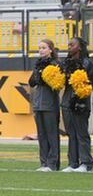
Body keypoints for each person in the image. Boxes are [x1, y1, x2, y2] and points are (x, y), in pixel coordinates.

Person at [61, 37, 93, 173]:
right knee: (71, 133)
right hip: (67, 101)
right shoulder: (65, 62)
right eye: (68, 44)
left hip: (80, 101)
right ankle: (72, 163)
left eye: (72, 44)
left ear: (79, 47)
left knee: (81, 133)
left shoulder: (87, 62)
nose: (69, 47)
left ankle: (86, 163)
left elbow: (91, 81)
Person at [29, 39, 61, 172]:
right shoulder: (38, 65)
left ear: (50, 50)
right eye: (39, 48)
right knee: (41, 134)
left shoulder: (55, 64)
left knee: (51, 134)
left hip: (50, 104)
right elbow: (31, 82)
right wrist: (38, 72)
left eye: (44, 47)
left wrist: (44, 75)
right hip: (38, 104)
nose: (41, 50)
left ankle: (52, 163)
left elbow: (55, 84)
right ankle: (44, 163)